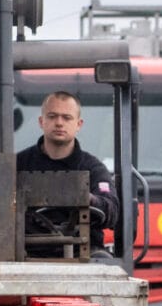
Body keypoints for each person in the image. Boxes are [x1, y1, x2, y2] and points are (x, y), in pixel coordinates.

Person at [17, 90, 119, 242]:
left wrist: (88, 199)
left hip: (83, 255)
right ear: (41, 121)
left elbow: (111, 211)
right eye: (52, 116)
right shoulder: (19, 164)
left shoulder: (93, 168)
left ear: (78, 124)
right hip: (27, 252)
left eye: (67, 118)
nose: (59, 123)